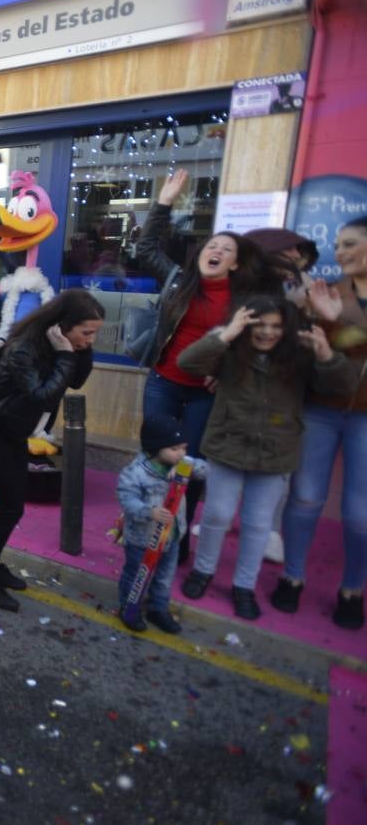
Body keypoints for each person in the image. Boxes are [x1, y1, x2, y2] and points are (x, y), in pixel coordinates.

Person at [135, 169, 294, 563]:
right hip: (163, 382)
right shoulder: (177, 279)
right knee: (155, 459)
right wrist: (164, 203)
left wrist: (226, 373)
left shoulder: (249, 299)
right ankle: (143, 530)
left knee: (191, 469)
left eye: (226, 248)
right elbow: (145, 249)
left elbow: (262, 344)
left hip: (205, 393)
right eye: (212, 244)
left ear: (236, 264)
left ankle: (179, 536)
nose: (216, 250)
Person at [178, 296, 355, 620]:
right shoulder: (229, 349)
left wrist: (326, 353)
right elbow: (187, 362)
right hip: (228, 446)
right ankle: (203, 571)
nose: (267, 332)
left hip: (275, 453)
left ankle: (243, 585)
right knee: (217, 514)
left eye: (276, 326)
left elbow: (342, 385)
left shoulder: (299, 355)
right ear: (246, 323)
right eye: (260, 324)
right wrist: (226, 334)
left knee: (258, 524)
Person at [0, 289, 103, 612]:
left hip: (14, 433)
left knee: (12, 506)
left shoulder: (57, 345)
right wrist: (68, 355)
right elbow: (42, 396)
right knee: (11, 507)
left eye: (94, 333)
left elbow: (76, 382)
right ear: (62, 326)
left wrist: (78, 349)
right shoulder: (23, 349)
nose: (89, 339)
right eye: (86, 332)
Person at [274, 219, 367, 629]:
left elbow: (348, 341)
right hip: (320, 408)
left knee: (359, 513)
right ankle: (292, 577)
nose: (340, 251)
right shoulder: (324, 291)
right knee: (306, 496)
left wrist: (343, 324)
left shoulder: (336, 301)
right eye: (337, 244)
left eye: (349, 244)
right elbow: (300, 344)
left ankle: (352, 590)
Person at [115, 414, 208, 634]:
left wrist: (188, 465)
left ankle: (158, 608)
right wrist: (149, 512)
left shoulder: (182, 464)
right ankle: (130, 607)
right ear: (156, 447)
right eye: (176, 449)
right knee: (137, 575)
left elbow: (205, 470)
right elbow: (127, 500)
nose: (182, 453)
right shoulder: (135, 472)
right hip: (143, 539)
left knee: (165, 578)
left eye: (184, 448)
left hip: (172, 537)